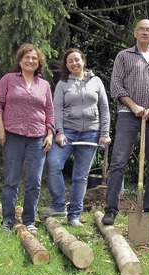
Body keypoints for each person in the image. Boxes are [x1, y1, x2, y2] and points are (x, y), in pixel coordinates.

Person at [101, 19, 149, 226]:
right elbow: (116, 86)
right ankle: (111, 210)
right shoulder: (124, 56)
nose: (144, 32)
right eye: (141, 29)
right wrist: (134, 106)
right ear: (135, 33)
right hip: (127, 115)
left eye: (148, 30)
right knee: (118, 163)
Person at [43, 48, 111, 227]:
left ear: (83, 61)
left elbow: (104, 108)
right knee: (53, 164)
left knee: (80, 176)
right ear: (66, 65)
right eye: (70, 61)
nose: (74, 64)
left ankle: (74, 215)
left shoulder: (96, 82)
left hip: (90, 132)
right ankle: (58, 205)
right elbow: (56, 109)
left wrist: (104, 134)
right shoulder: (63, 84)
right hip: (67, 132)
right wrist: (60, 131)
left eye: (77, 60)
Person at [0, 43, 54, 233]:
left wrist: (50, 134)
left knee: (34, 182)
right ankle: (8, 222)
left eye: (34, 58)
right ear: (20, 61)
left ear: (39, 62)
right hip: (13, 136)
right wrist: (0, 130)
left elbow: (50, 113)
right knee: (11, 180)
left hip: (37, 138)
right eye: (27, 57)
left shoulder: (43, 85)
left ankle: (29, 221)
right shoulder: (9, 79)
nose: (30, 60)